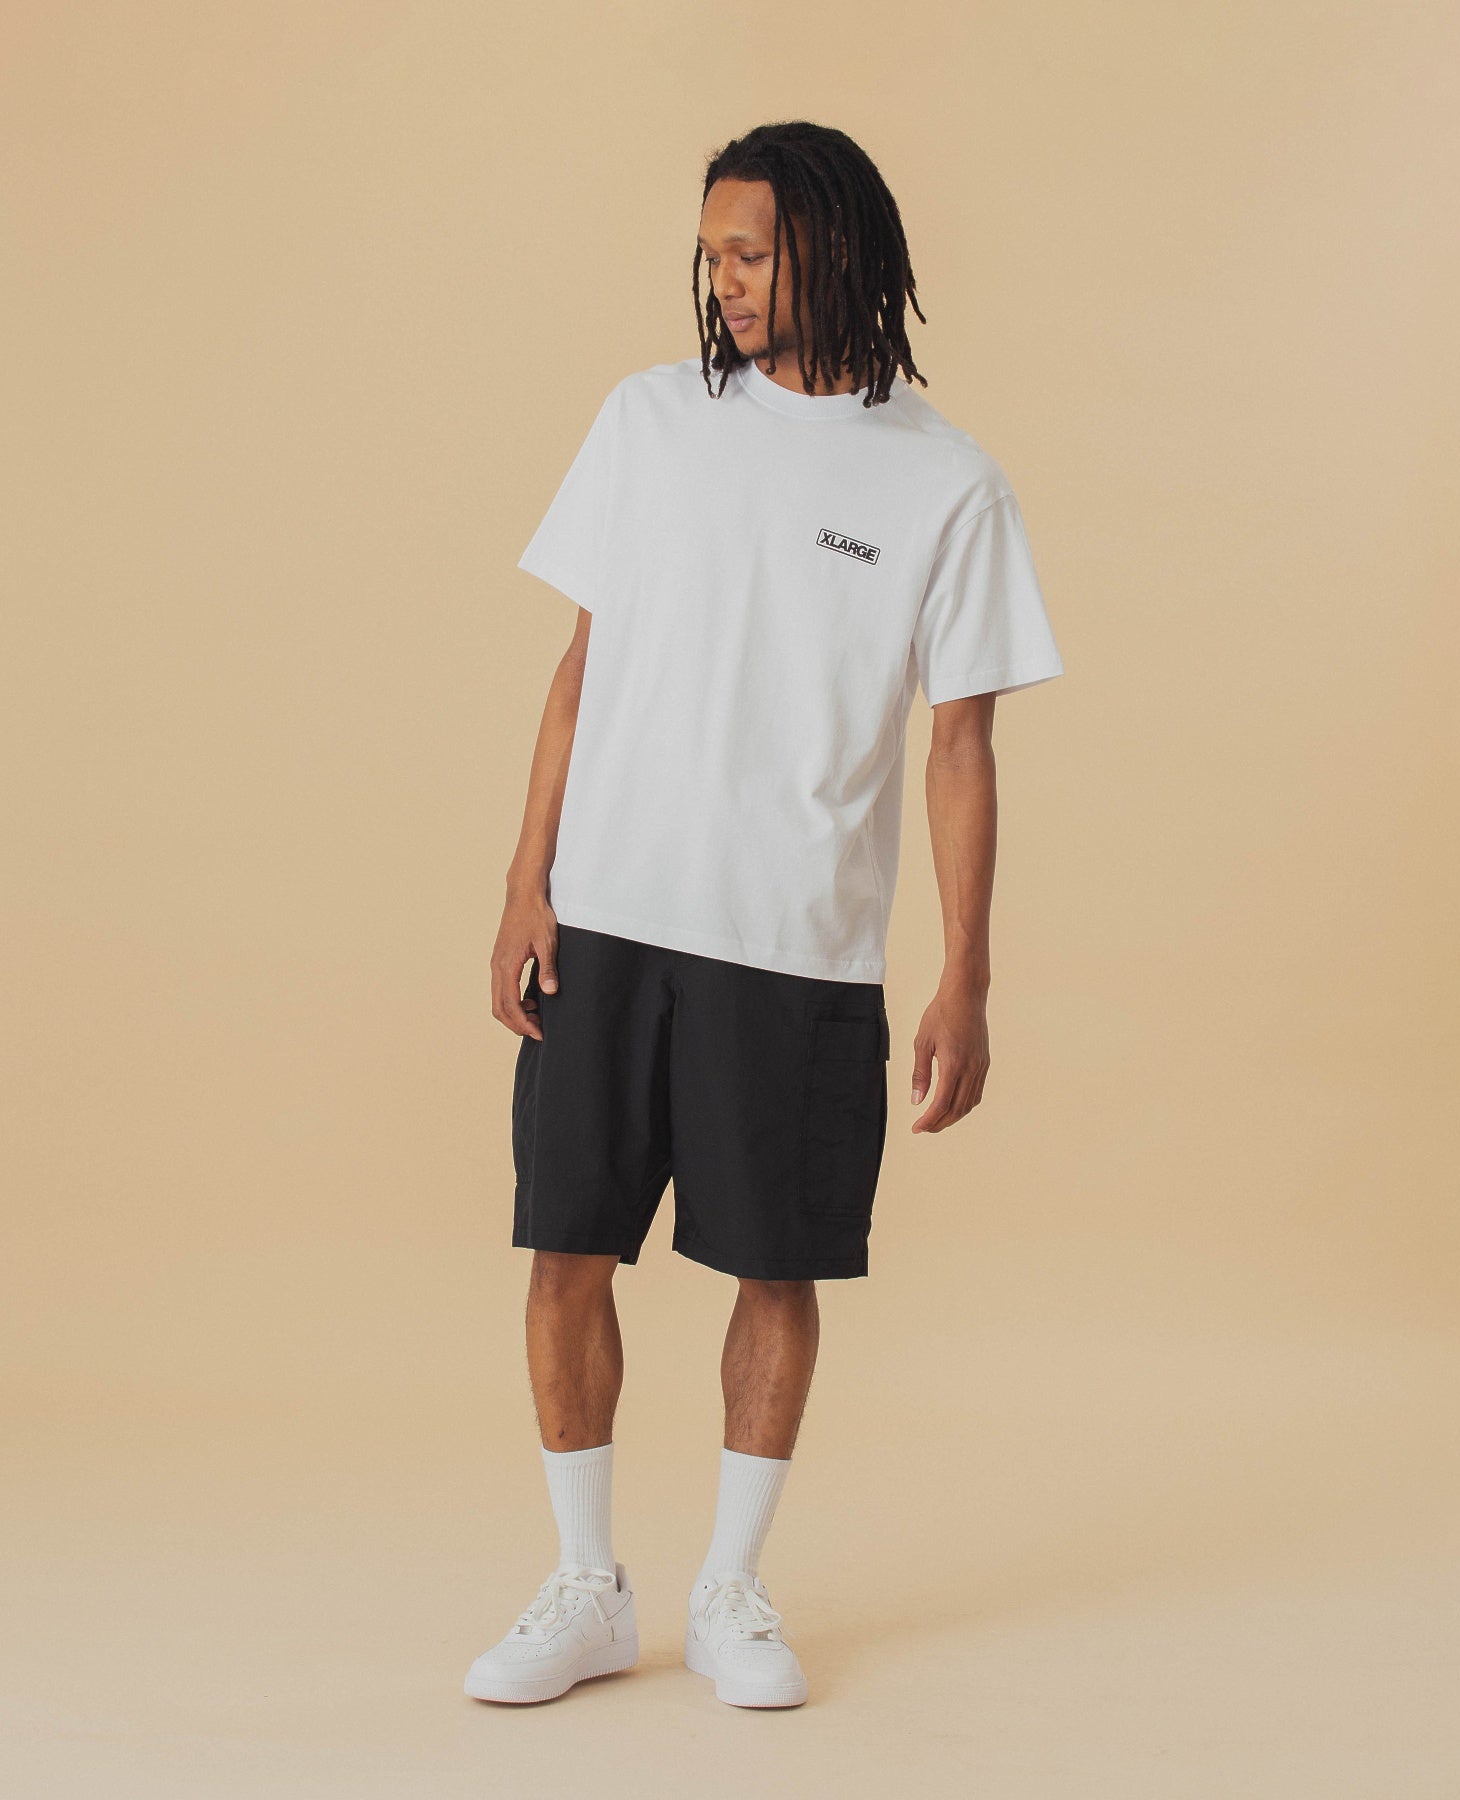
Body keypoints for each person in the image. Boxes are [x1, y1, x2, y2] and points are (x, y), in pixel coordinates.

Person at [464, 119, 1064, 1711]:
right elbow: (583, 660)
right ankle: (587, 1586)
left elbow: (958, 744)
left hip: (796, 942)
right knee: (564, 1249)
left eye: (750, 252)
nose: (722, 281)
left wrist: (966, 976)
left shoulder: (946, 481)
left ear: (833, 251)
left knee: (775, 1265)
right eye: (710, 254)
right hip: (608, 915)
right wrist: (527, 877)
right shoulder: (647, 420)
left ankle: (731, 1588)